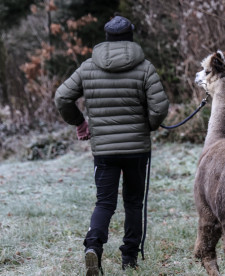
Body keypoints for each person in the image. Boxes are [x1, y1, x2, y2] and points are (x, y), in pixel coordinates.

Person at [54, 15, 169, 275]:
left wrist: (79, 122)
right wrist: (149, 124)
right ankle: (129, 259)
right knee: (133, 203)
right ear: (130, 37)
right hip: (137, 149)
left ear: (107, 38)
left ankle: (93, 247)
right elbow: (160, 106)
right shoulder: (145, 67)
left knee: (104, 203)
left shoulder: (87, 67)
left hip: (104, 150)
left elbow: (62, 97)